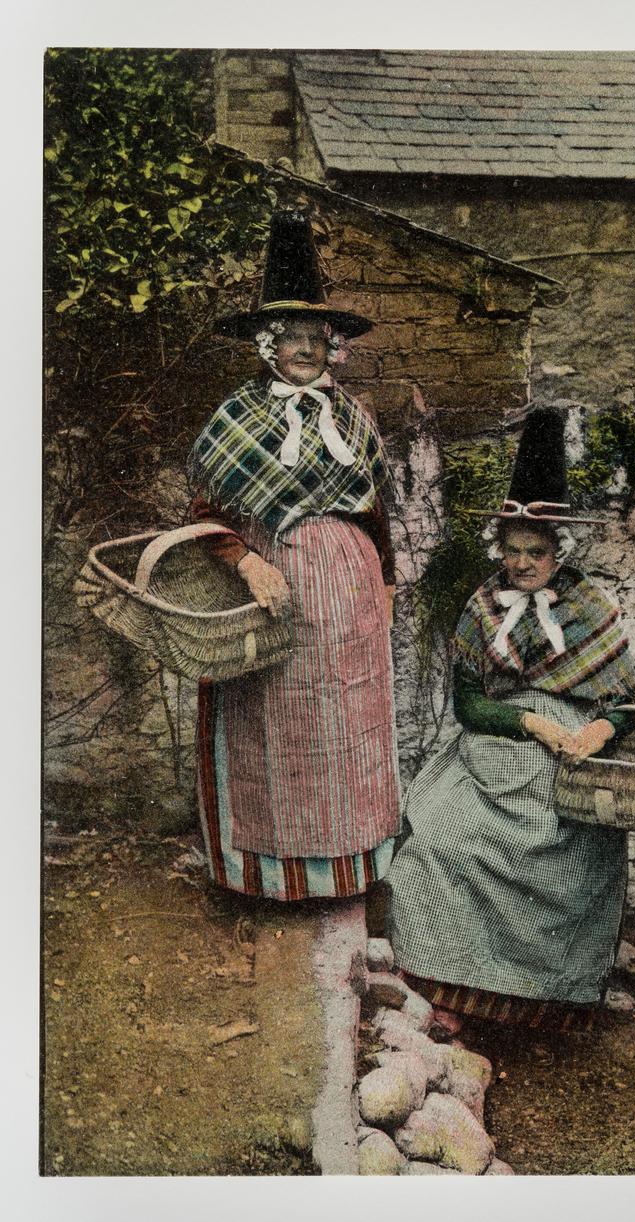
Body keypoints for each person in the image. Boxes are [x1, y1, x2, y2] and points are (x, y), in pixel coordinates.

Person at [386, 408, 635, 1032]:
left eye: (537, 552)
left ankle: (547, 1005)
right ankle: (450, 987)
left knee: (571, 860)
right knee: (436, 836)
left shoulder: (589, 609)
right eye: (513, 550)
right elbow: (469, 705)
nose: (523, 564)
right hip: (493, 749)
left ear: (559, 553)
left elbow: (625, 705)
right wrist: (532, 725)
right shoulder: (480, 606)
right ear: (498, 549)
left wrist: (591, 734)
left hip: (565, 769)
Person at [187, 210, 400, 902]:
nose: (305, 349)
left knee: (346, 726)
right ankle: (265, 879)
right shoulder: (237, 416)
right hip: (270, 588)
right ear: (268, 345)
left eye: (316, 337)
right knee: (271, 724)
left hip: (351, 594)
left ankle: (346, 876)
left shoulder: (354, 418)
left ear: (330, 346)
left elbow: (375, 511)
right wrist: (247, 562)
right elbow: (206, 514)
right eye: (291, 338)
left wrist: (388, 583)